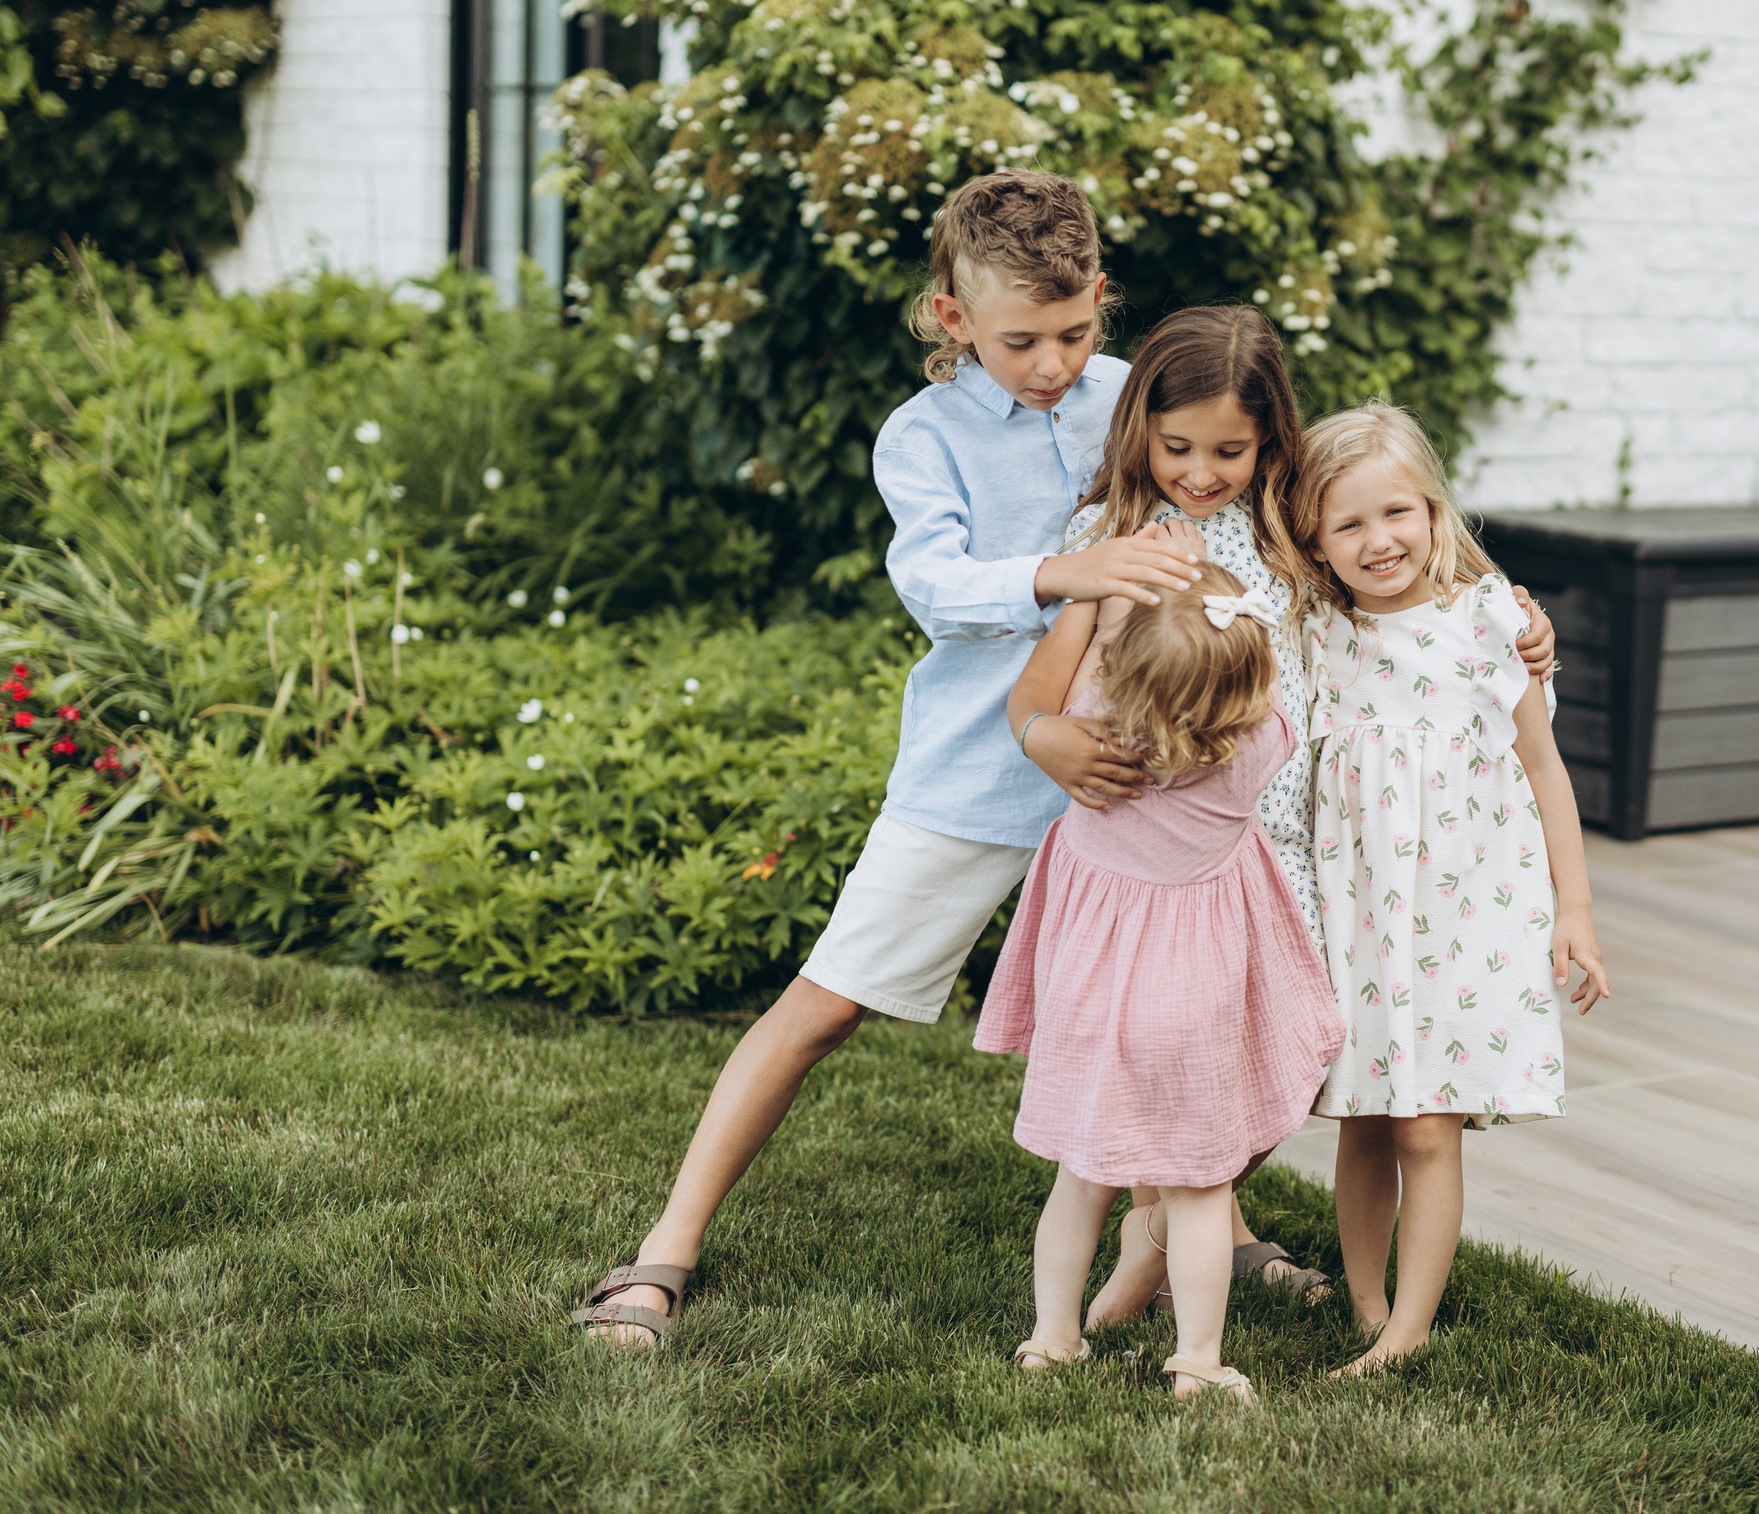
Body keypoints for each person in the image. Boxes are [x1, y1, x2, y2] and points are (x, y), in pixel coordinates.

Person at [571, 170, 1205, 1348]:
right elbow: (931, 584)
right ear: (953, 317)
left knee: (1169, 1011)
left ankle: (1208, 1235)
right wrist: (1069, 573)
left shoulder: (1134, 398)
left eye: (1074, 332)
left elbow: (1239, 498)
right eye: (1021, 339)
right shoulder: (922, 436)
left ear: (1103, 301)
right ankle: (662, 1251)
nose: (1053, 362)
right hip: (977, 771)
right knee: (822, 1007)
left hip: (1137, 775)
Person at [1009, 305, 1558, 1324]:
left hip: (1289, 852)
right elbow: (1038, 691)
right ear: (1140, 432)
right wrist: (1044, 738)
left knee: (1285, 1062)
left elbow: (1413, 586)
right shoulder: (1114, 541)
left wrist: (1521, 628)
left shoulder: (1288, 529)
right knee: (1183, 1060)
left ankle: (1156, 1231)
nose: (1202, 471)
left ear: (1270, 442)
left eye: (1230, 449)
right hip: (1164, 849)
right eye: (1177, 447)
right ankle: (1159, 1234)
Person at [1292, 399, 1611, 1376]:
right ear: (1313, 535)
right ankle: (1362, 1299)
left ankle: (1408, 1330)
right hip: (1357, 919)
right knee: (1363, 1114)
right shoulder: (1313, 633)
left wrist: (1576, 910)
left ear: (1434, 511)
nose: (1378, 539)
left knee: (1429, 1122)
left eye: (1398, 513)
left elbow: (1544, 769)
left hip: (1462, 912)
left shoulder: (1486, 622)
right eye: (1348, 523)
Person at [978, 564, 1342, 1403]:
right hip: (1193, 1001)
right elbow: (1275, 704)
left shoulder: (1094, 738)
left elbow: (1068, 681)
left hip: (1092, 996)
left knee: (1082, 1177)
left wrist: (1105, 610)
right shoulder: (1258, 746)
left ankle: (1052, 1337)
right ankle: (1199, 1361)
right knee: (1199, 1190)